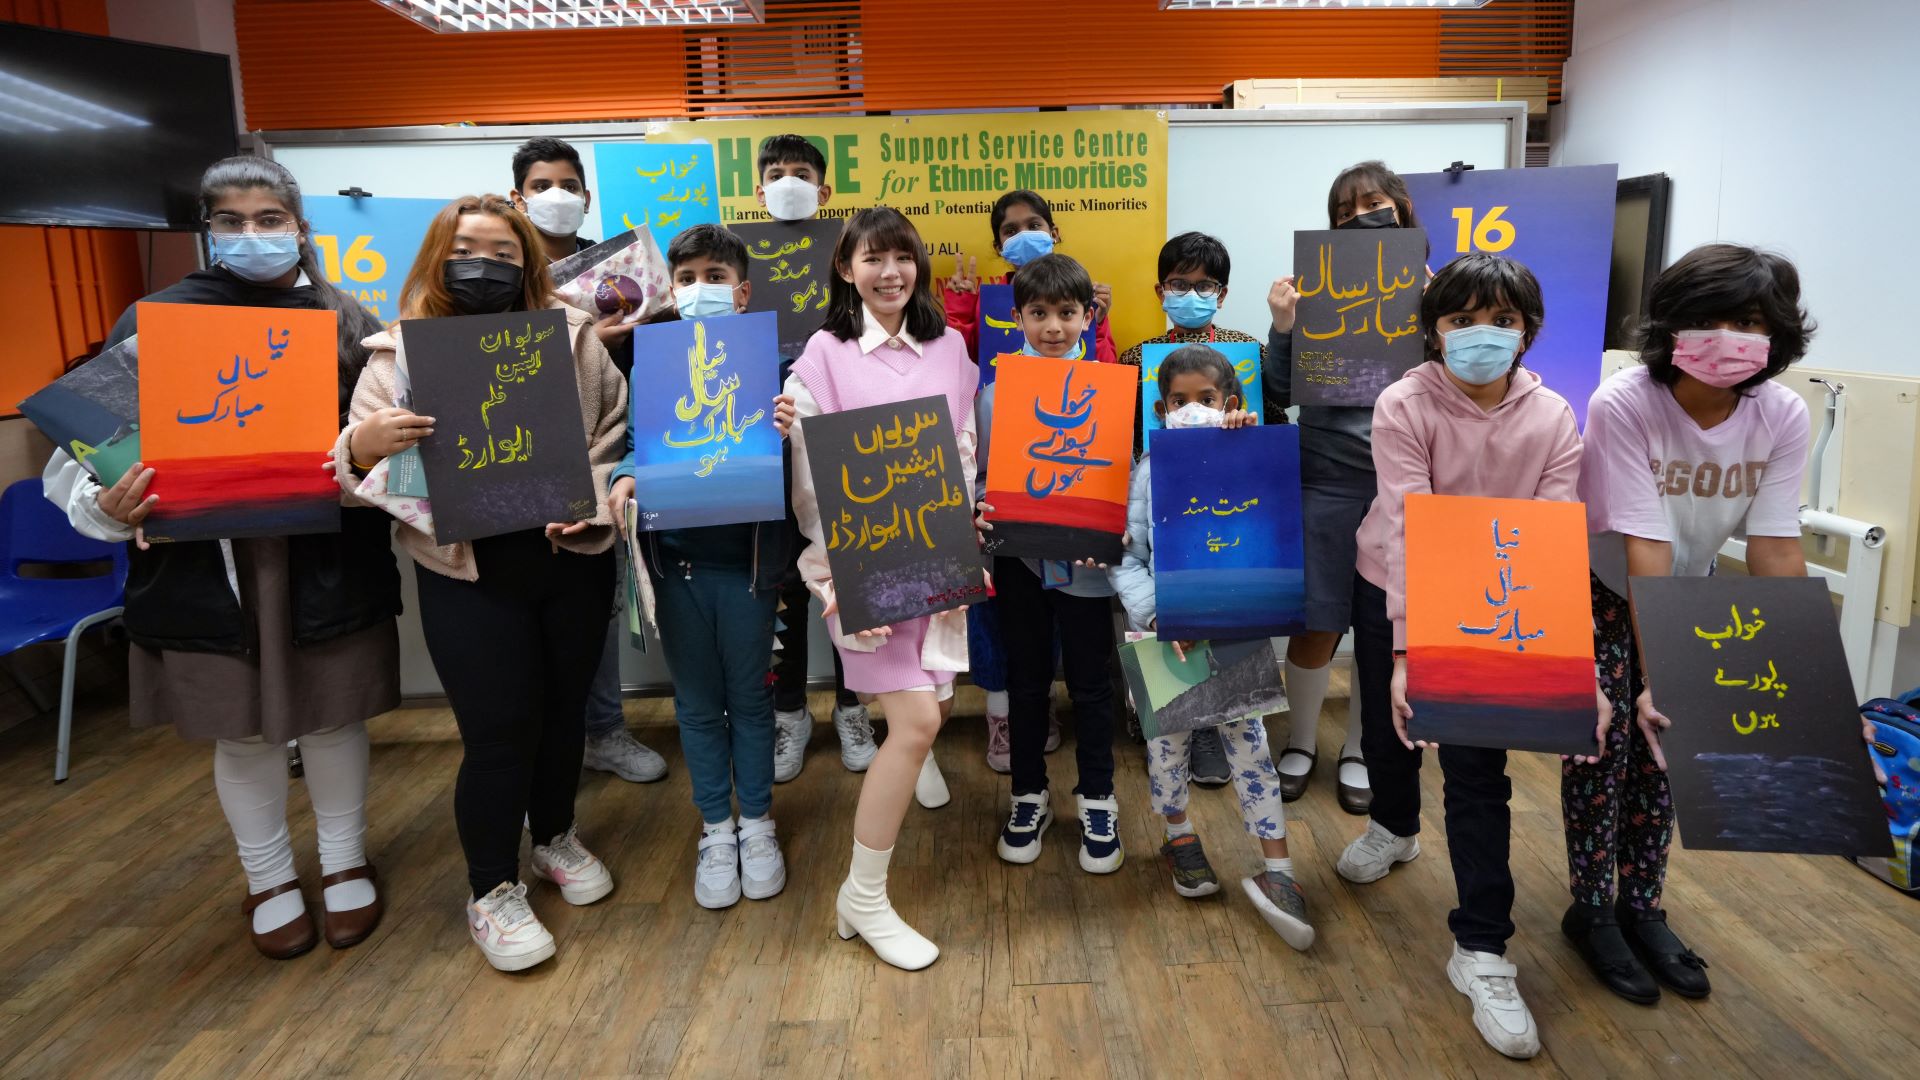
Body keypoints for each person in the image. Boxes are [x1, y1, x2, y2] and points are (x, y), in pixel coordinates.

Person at [43, 156, 398, 959]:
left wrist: (366, 454)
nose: (251, 235)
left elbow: (382, 443)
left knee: (333, 713)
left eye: (269, 219)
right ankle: (268, 878)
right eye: (230, 221)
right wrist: (105, 505)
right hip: (207, 566)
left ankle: (345, 861)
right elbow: (86, 452)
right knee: (242, 732)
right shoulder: (153, 323)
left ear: (299, 228)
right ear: (208, 231)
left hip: (325, 556)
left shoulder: (346, 321)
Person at [336, 194, 624, 972]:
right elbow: (354, 476)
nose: (484, 267)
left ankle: (554, 835)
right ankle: (491, 887)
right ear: (438, 257)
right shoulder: (396, 354)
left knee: (564, 715)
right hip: (467, 575)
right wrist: (364, 444)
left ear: (527, 263)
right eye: (467, 250)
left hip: (569, 561)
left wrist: (592, 500)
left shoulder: (572, 336)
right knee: (499, 732)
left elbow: (613, 434)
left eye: (503, 254)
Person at [1348, 252, 1597, 1059]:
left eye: (1501, 319)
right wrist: (1407, 650)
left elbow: (1551, 539)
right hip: (1394, 583)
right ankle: (1393, 827)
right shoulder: (1403, 402)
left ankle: (1482, 948)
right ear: (1434, 330)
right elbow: (1406, 522)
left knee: (1478, 771)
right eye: (1461, 320)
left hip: (1493, 603)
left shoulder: (1554, 415)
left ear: (1527, 330)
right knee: (1388, 730)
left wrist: (1575, 664)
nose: (1481, 335)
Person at [1561, 243, 1819, 1005]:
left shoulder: (1782, 414)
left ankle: (1643, 906)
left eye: (1750, 321)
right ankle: (1592, 909)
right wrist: (1664, 669)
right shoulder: (1626, 402)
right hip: (1600, 587)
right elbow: (1644, 547)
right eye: (1710, 318)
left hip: (1692, 587)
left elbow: (1775, 546)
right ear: (1672, 325)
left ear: (1777, 333)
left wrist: (1808, 679)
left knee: (1670, 750)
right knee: (1602, 747)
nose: (1730, 337)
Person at [784, 206, 978, 971]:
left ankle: (868, 875)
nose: (890, 271)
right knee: (919, 723)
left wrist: (966, 527)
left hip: (938, 558)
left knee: (935, 704)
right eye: (872, 258)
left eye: (902, 256)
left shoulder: (949, 345)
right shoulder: (824, 354)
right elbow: (812, 476)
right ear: (846, 268)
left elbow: (963, 448)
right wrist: (843, 575)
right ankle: (864, 898)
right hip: (863, 564)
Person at [605, 224, 793, 910]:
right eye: (685, 279)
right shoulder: (649, 366)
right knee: (695, 704)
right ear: (670, 291)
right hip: (675, 567)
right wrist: (625, 477)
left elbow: (803, 468)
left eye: (715, 277)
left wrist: (789, 431)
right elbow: (636, 443)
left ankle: (758, 824)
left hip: (748, 570)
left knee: (751, 699)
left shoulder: (776, 370)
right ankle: (716, 827)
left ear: (742, 293)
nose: (699, 289)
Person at [1110, 344, 1313, 950]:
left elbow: (1270, 525)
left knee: (1250, 749)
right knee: (1167, 746)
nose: (1191, 409)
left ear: (1229, 403)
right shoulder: (1147, 470)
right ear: (1160, 407)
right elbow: (1127, 556)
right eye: (1179, 401)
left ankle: (1279, 867)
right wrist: (1158, 613)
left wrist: (1248, 442)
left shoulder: (1244, 452)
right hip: (1163, 634)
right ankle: (1179, 836)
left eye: (1206, 399)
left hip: (1235, 631)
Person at [1263, 161, 1427, 814]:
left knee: (1382, 629)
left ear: (1401, 207)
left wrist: (1434, 310)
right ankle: (1301, 742)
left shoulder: (1436, 291)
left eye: (1374, 203)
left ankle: (1360, 748)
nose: (1361, 217)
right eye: (1345, 211)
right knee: (1317, 619)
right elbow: (1280, 391)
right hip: (1325, 478)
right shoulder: (1314, 289)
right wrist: (1284, 325)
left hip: (1401, 486)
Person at [508, 135, 666, 785]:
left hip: (610, 450)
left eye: (568, 185)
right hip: (520, 457)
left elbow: (660, 354)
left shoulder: (619, 267)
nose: (557, 196)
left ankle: (603, 730)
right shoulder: (504, 274)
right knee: (524, 608)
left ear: (587, 195)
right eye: (541, 185)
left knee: (596, 599)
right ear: (518, 196)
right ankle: (539, 745)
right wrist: (582, 341)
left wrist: (655, 320)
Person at [978, 253, 1125, 875]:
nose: (1054, 327)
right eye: (1038, 314)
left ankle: (1098, 797)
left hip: (1087, 565)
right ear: (1018, 319)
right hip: (1020, 563)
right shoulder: (993, 396)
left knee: (1092, 683)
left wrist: (1110, 526)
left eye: (1067, 313)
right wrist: (980, 510)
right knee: (1026, 681)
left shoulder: (1112, 390)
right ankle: (1028, 795)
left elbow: (1123, 476)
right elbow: (981, 478)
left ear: (1089, 316)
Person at [1118, 230, 1272, 787]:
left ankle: (1213, 730)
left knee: (1220, 623)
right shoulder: (1135, 356)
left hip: (1228, 507)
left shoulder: (1248, 350)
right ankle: (1164, 721)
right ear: (1161, 290)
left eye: (1205, 286)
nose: (1191, 294)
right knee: (1164, 621)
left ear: (1222, 293)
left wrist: (1242, 433)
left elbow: (1271, 429)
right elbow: (1123, 434)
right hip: (1159, 504)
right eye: (1179, 284)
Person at [751, 133, 877, 785]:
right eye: (776, 172)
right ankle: (789, 713)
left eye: (800, 172)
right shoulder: (736, 256)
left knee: (850, 574)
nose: (788, 182)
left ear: (824, 189)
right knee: (782, 581)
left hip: (841, 434)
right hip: (765, 440)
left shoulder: (850, 250)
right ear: (758, 189)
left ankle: (854, 708)